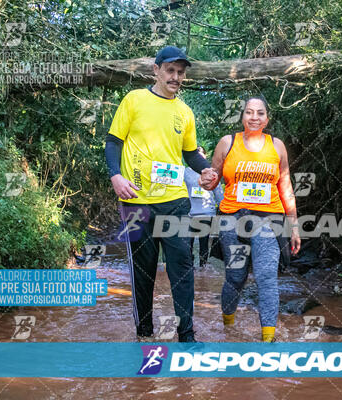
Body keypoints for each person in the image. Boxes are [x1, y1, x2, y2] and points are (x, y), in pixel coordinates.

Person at [105, 46, 217, 342]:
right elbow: (113, 142)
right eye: (170, 70)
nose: (176, 77)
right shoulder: (134, 100)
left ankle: (187, 337)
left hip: (176, 203)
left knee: (182, 269)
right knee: (143, 274)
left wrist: (205, 169)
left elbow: (190, 153)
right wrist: (115, 175)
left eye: (181, 73)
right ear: (155, 70)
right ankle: (144, 335)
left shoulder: (185, 112)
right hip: (137, 203)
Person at [200, 96, 301, 342]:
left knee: (267, 277)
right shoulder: (227, 143)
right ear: (242, 116)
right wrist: (206, 180)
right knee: (236, 276)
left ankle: (268, 340)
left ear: (268, 118)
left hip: (269, 218)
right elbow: (213, 179)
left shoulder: (277, 146)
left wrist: (294, 226)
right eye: (249, 112)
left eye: (260, 113)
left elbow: (285, 186)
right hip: (232, 218)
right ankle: (228, 329)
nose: (254, 117)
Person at [184, 146, 224, 268]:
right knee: (187, 244)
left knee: (204, 242)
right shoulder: (185, 172)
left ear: (205, 156)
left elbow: (217, 191)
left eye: (201, 154)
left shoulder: (212, 173)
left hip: (206, 212)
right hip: (189, 212)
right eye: (196, 153)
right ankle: (189, 266)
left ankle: (203, 267)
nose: (199, 155)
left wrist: (223, 207)